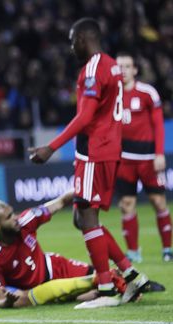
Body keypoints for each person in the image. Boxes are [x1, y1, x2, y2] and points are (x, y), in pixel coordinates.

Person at [29, 18, 150, 309]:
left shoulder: (93, 69)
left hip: (95, 151)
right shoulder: (111, 65)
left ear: (84, 38)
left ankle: (106, 289)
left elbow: (85, 117)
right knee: (81, 217)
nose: (72, 48)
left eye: (73, 41)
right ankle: (131, 274)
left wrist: (51, 147)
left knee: (87, 217)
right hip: (108, 148)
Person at [0, 191, 132, 309]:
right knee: (89, 290)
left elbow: (61, 201)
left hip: (55, 267)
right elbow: (0, 299)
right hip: (36, 291)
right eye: (8, 217)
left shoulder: (26, 220)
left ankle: (134, 284)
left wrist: (82, 190)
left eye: (13, 213)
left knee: (104, 275)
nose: (15, 218)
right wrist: (8, 301)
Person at [115, 52, 172, 263]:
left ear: (135, 70)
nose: (122, 70)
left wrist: (159, 154)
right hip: (123, 159)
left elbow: (158, 125)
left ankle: (167, 249)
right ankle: (133, 252)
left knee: (158, 201)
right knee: (126, 203)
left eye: (127, 66)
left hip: (148, 158)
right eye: (119, 67)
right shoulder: (111, 95)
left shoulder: (148, 93)